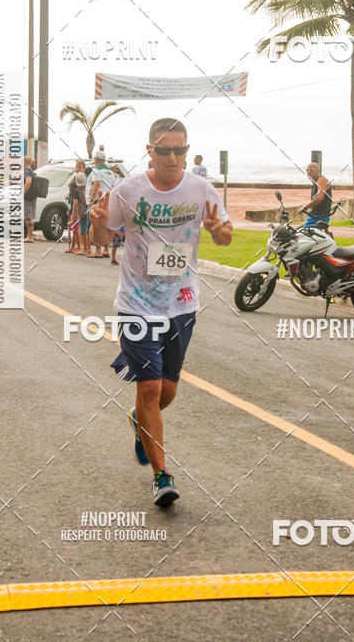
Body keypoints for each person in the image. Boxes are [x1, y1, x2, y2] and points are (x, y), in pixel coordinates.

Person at [90, 117, 233, 508]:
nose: (173, 157)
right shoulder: (128, 190)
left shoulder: (201, 188)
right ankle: (161, 476)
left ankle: (140, 422)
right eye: (164, 150)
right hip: (136, 304)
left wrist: (220, 230)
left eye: (180, 150)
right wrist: (98, 226)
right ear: (150, 150)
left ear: (188, 150)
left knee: (167, 390)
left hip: (182, 302)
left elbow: (224, 235)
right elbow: (103, 238)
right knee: (149, 388)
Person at [86, 148, 113, 258]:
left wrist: (91, 199)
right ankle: (106, 249)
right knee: (105, 224)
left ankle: (97, 250)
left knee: (96, 224)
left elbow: (97, 183)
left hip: (98, 200)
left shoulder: (96, 170)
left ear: (96, 159)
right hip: (108, 200)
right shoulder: (110, 171)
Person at [300, 162, 332, 229]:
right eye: (307, 170)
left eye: (311, 170)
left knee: (303, 235)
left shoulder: (321, 180)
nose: (308, 172)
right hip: (315, 216)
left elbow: (319, 198)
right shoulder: (315, 183)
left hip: (319, 217)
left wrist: (306, 207)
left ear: (318, 171)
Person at [23, 156, 36, 242]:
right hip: (33, 196)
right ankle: (30, 236)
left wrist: (23, 192)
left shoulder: (27, 171)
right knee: (30, 216)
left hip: (27, 197)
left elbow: (28, 181)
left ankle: (30, 237)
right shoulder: (31, 170)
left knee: (28, 216)